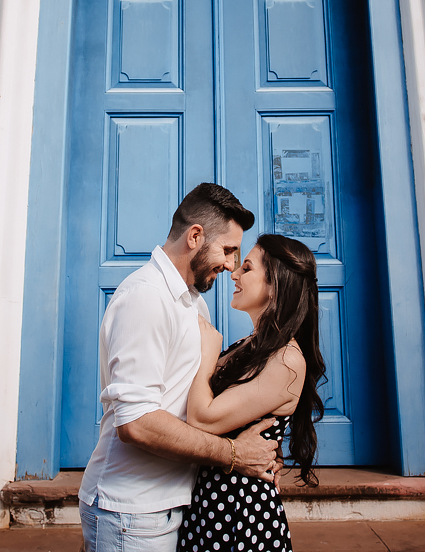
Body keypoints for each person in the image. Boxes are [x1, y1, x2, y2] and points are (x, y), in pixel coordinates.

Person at [79, 183, 281, 552]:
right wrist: (235, 455)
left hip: (173, 506)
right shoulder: (146, 297)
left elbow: (194, 405)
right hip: (131, 514)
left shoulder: (193, 302)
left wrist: (259, 450)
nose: (231, 266)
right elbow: (137, 422)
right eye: (228, 250)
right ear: (195, 236)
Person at [177, 234, 326, 552]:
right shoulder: (248, 345)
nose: (233, 274)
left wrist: (207, 355)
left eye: (246, 268)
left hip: (241, 512)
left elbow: (202, 419)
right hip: (211, 502)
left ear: (275, 285)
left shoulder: (286, 360)